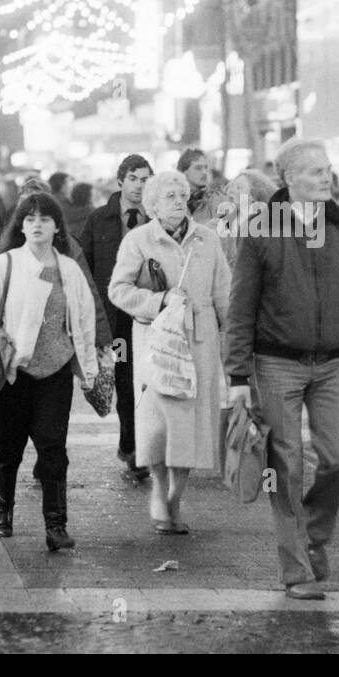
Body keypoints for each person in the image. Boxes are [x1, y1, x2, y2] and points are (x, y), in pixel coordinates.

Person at [226, 138, 339, 600]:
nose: (327, 178)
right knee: (286, 464)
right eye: (316, 172)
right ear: (289, 178)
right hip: (277, 364)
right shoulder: (260, 229)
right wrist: (237, 376)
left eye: (328, 170)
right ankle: (296, 569)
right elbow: (241, 308)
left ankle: (313, 533)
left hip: (335, 363)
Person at [0, 192, 101, 551]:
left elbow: (84, 321)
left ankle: (56, 524)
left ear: (56, 227)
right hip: (11, 374)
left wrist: (89, 368)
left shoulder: (69, 269)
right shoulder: (4, 265)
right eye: (30, 218)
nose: (37, 224)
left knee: (53, 449)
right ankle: (3, 511)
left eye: (45, 218)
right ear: (20, 225)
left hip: (55, 374)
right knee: (7, 449)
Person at [109, 171, 230, 534]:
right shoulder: (138, 240)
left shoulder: (208, 240)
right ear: (153, 205)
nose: (178, 200)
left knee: (190, 425)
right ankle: (160, 490)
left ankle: (177, 493)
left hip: (200, 340)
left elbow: (224, 294)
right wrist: (158, 300)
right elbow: (119, 290)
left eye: (182, 194)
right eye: (170, 196)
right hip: (155, 343)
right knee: (157, 424)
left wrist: (232, 345)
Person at [81, 155, 153, 483]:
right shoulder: (100, 220)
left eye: (145, 179)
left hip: (150, 315)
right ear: (120, 181)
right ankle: (132, 447)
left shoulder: (156, 219)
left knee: (148, 382)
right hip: (117, 319)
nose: (140, 185)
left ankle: (141, 445)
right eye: (135, 178)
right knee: (125, 380)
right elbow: (85, 268)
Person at [178, 147, 219, 223]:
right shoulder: (173, 200)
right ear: (184, 172)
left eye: (206, 167)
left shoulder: (216, 200)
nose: (204, 172)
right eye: (198, 168)